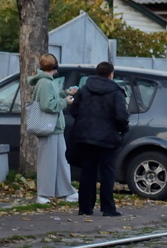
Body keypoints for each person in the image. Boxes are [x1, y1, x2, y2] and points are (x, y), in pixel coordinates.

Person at [67, 61, 129, 217]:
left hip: (85, 136)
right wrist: (122, 130)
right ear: (111, 74)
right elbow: (121, 116)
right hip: (108, 138)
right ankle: (108, 208)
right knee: (107, 173)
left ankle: (85, 208)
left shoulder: (85, 89)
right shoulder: (116, 92)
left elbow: (74, 110)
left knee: (87, 172)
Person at [29, 54, 76, 205]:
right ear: (55, 67)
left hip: (53, 128)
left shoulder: (45, 82)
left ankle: (66, 191)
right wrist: (65, 101)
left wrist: (65, 94)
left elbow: (50, 99)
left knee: (60, 162)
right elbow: (48, 105)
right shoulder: (46, 83)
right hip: (50, 128)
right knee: (48, 163)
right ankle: (43, 194)